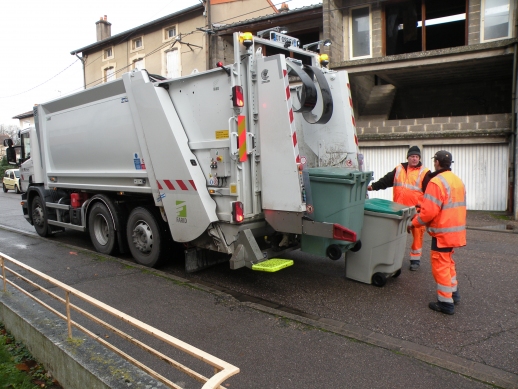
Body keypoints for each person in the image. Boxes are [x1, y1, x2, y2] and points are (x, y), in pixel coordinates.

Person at [408, 150, 466, 315]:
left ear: (437, 162)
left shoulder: (436, 182)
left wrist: (413, 222)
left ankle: (445, 303)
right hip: (455, 231)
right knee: (448, 263)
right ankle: (454, 294)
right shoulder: (457, 181)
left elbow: (428, 213)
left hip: (442, 232)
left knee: (440, 266)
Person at [367, 146, 429, 271]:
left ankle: (415, 260)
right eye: (412, 156)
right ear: (408, 157)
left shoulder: (425, 172)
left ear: (419, 158)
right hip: (398, 210)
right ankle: (392, 257)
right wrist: (373, 187)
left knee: (417, 235)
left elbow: (430, 192)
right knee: (395, 235)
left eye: (417, 157)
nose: (414, 159)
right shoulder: (399, 169)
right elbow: (386, 181)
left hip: (416, 211)